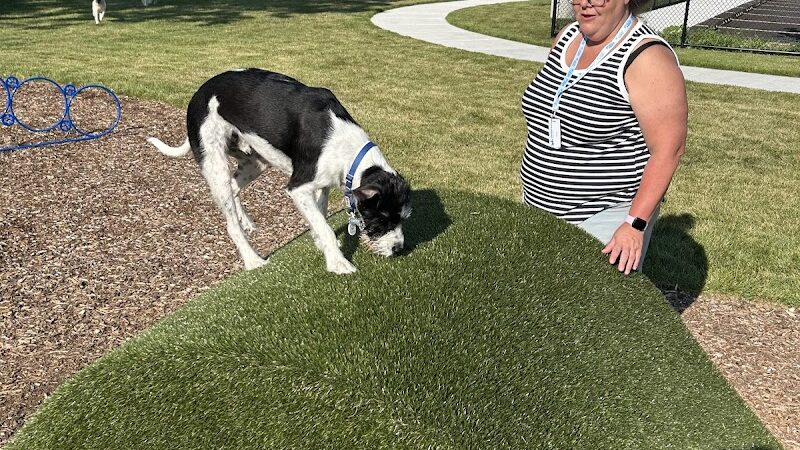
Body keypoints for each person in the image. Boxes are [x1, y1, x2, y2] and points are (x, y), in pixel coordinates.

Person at [520, 0, 687, 275]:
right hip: (538, 209)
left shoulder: (647, 57)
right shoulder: (568, 37)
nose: (585, 2)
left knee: (585, 313)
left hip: (601, 217)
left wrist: (634, 224)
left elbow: (669, 149)